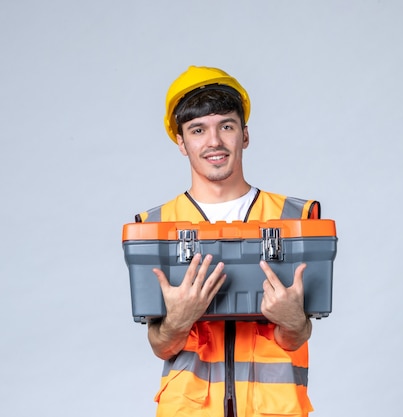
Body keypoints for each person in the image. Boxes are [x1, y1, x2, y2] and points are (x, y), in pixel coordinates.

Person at [135, 66, 321, 417]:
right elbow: (162, 345)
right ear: (181, 142)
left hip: (274, 410)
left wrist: (291, 320)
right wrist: (178, 320)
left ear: (244, 135)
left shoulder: (295, 219)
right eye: (198, 129)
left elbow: (296, 336)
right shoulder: (155, 228)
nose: (214, 141)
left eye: (226, 126)